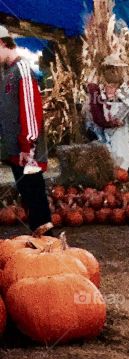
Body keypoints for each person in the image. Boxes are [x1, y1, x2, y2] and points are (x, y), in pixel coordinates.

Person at [0, 26, 51, 230]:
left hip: (26, 150)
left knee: (35, 196)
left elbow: (30, 110)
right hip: (15, 149)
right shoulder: (5, 73)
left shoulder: (22, 69)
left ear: (2, 43)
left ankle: (48, 241)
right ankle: (39, 238)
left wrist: (27, 144)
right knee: (28, 197)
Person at [86, 54, 129, 172]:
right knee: (106, 159)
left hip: (120, 132)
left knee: (122, 157)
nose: (115, 72)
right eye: (112, 69)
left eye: (117, 69)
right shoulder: (96, 88)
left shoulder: (125, 88)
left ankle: (120, 176)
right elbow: (97, 116)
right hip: (101, 132)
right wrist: (110, 123)